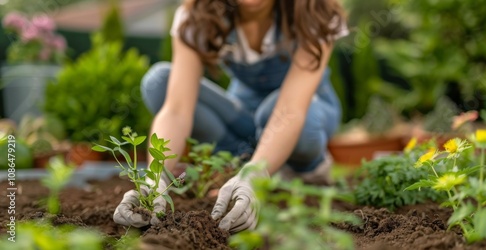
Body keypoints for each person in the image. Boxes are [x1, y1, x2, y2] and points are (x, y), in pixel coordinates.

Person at [113, 0, 348, 233]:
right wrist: (156, 178)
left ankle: (305, 170)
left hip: (305, 110)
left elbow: (290, 109)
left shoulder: (313, 10)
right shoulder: (198, 14)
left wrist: (255, 175)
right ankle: (243, 166)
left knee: (280, 113)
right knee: (159, 82)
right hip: (247, 117)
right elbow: (177, 110)